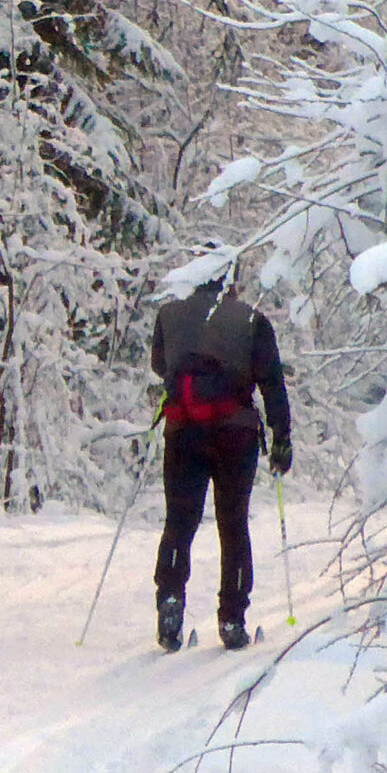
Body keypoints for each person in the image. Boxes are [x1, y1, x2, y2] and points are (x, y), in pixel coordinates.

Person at [149, 272, 292, 650]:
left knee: (179, 521)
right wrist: (281, 438)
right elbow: (272, 382)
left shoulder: (169, 314)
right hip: (235, 435)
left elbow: (160, 366)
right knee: (232, 525)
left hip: (183, 432)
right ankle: (232, 618)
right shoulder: (251, 319)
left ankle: (170, 601)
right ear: (231, 278)